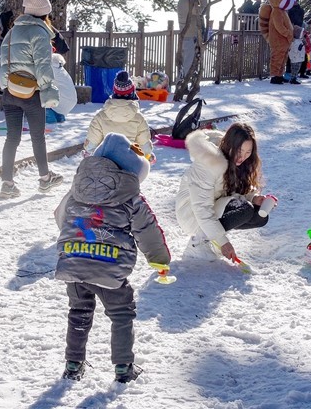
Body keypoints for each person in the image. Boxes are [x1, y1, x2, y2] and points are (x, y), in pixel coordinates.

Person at [55, 133, 170, 383]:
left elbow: (60, 215)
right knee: (121, 313)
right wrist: (159, 260)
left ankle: (73, 365)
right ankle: (123, 368)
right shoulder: (132, 198)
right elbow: (148, 230)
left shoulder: (77, 188)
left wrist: (73, 242)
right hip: (109, 267)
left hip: (74, 261)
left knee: (79, 311)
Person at [0, 0, 63, 198]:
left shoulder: (11, 32)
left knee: (12, 138)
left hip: (10, 92)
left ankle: (7, 184)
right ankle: (45, 179)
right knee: (37, 137)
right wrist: (49, 90)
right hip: (31, 92)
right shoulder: (40, 33)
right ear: (43, 13)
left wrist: (6, 86)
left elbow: (3, 62)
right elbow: (43, 66)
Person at [175, 122, 272, 262]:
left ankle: (210, 236)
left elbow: (233, 189)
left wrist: (253, 198)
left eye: (247, 152)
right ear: (230, 144)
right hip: (192, 214)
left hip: (215, 205)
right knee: (243, 210)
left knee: (260, 216)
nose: (242, 157)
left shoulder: (237, 161)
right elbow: (201, 208)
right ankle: (198, 243)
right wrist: (223, 242)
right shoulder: (208, 163)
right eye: (239, 151)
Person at [83, 70, 152, 158]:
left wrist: (88, 152)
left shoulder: (100, 117)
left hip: (105, 160)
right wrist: (148, 156)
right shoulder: (138, 118)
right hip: (129, 161)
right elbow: (144, 146)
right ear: (132, 95)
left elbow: (92, 144)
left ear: (114, 93)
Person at [177, 0, 208, 80]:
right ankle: (181, 85)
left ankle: (182, 84)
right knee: (187, 64)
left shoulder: (183, 1)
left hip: (188, 36)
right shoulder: (186, 2)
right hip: (189, 37)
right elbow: (202, 11)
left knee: (188, 63)